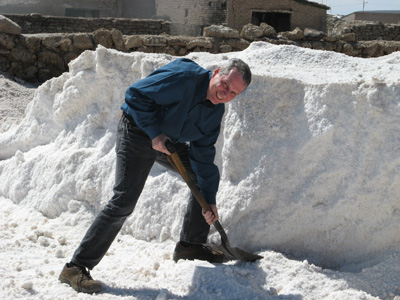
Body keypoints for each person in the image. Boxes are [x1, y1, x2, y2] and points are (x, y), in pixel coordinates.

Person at [58, 57, 252, 293]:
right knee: (124, 201)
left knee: (203, 180)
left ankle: (190, 245)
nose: (225, 93)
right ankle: (75, 267)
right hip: (138, 130)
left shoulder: (214, 113)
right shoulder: (185, 78)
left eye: (233, 93)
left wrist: (209, 200)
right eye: (225, 84)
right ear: (218, 72)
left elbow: (203, 156)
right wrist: (154, 133)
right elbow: (135, 95)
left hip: (168, 142)